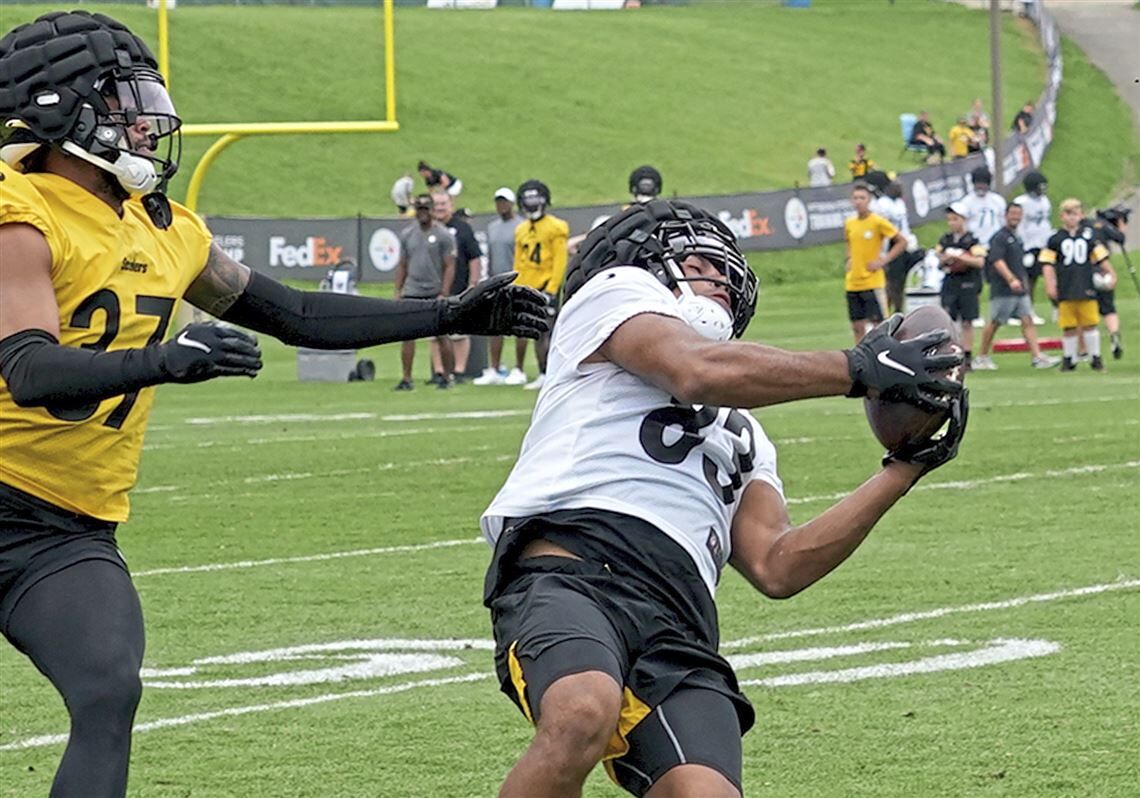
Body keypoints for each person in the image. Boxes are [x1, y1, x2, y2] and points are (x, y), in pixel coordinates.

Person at [0, 13, 549, 798]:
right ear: (60, 109)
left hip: (66, 523)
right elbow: (27, 368)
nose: (146, 121)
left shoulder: (167, 228)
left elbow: (295, 313)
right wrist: (163, 361)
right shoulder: (18, 208)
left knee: (107, 691)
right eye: (123, 103)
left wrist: (450, 313)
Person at [480, 199, 967, 798]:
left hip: (678, 617)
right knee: (583, 710)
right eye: (700, 261)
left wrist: (903, 470)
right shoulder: (610, 298)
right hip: (574, 570)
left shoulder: (745, 431)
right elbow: (694, 370)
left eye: (724, 270)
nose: (718, 277)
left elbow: (777, 565)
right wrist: (858, 368)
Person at [973, 204, 1058, 370]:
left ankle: (1037, 356)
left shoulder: (1017, 237)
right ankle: (982, 356)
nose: (1015, 217)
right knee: (994, 322)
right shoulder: (1000, 237)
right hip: (1004, 288)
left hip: (1019, 289)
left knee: (1027, 320)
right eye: (1012, 214)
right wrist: (1011, 279)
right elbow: (997, 260)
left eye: (1018, 214)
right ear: (1005, 215)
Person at [1039, 199, 1118, 371]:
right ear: (1061, 216)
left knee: (1090, 323)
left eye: (1075, 213)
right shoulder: (1055, 239)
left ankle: (1095, 357)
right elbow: (1047, 264)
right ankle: (1069, 358)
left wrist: (1111, 273)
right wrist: (1050, 284)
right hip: (1066, 286)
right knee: (1068, 325)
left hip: (1086, 284)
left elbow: (1101, 257)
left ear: (1081, 215)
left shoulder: (1089, 236)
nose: (1072, 217)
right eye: (1068, 213)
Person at [393, 194, 458, 389]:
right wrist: (398, 289)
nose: (422, 213)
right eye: (419, 209)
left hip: (434, 290)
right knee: (407, 335)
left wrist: (444, 292)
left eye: (426, 209)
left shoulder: (443, 234)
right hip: (412, 289)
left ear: (431, 210)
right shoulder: (407, 235)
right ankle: (406, 378)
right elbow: (402, 264)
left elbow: (449, 266)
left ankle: (448, 376)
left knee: (442, 336)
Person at [510, 179, 569, 390]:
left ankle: (550, 372)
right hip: (529, 287)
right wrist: (516, 286)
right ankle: (544, 372)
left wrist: (552, 289)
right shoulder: (521, 229)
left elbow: (560, 260)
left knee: (547, 332)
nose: (532, 204)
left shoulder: (555, 227)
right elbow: (519, 262)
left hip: (546, 286)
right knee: (535, 332)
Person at [430, 191, 484, 383]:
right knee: (434, 333)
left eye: (443, 203)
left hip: (459, 286)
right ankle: (438, 372)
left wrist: (473, 284)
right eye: (436, 204)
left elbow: (475, 257)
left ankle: (459, 371)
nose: (439, 207)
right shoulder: (427, 228)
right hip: (433, 288)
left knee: (459, 333)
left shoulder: (462, 228)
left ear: (451, 204)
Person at [476, 187, 526, 385]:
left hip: (517, 281)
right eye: (498, 202)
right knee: (496, 326)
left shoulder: (521, 226)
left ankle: (519, 369)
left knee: (519, 326)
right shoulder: (492, 227)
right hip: (497, 282)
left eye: (504, 202)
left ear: (512, 204)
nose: (501, 206)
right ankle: (495, 368)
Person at [844, 183, 906, 343]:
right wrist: (849, 258)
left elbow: (901, 241)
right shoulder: (850, 223)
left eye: (862, 198)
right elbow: (849, 243)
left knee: (879, 324)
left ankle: (882, 355)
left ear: (869, 200)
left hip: (872, 281)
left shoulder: (877, 222)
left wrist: (883, 260)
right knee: (857, 325)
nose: (858, 201)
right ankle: (860, 358)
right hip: (853, 281)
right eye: (855, 198)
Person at [936, 202, 987, 370]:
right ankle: (950, 354)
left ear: (964, 220)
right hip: (950, 282)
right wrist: (946, 258)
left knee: (967, 321)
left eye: (955, 219)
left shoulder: (973, 240)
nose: (951, 223)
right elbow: (938, 256)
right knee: (948, 320)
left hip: (968, 282)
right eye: (949, 219)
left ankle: (967, 356)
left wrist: (961, 257)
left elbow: (979, 261)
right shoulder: (945, 239)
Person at [871, 180, 921, 314]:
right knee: (890, 282)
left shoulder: (899, 203)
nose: (899, 189)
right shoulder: (881, 204)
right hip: (890, 245)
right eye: (895, 187)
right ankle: (885, 311)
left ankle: (899, 310)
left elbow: (904, 226)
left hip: (903, 244)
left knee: (900, 281)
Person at [1088, 205, 1129, 359]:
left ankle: (1084, 349)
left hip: (1083, 273)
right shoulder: (1104, 226)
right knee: (1108, 308)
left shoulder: (1086, 225)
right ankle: (1114, 334)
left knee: (1086, 310)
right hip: (1102, 271)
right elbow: (1121, 238)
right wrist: (1121, 225)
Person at [1013, 170, 1051, 319]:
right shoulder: (1022, 202)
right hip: (1027, 245)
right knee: (1026, 279)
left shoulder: (1044, 201)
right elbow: (1019, 225)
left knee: (1041, 277)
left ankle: (1051, 307)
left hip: (1042, 243)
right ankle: (1025, 310)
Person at [959, 167, 1007, 255]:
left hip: (996, 244)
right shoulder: (966, 202)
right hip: (975, 245)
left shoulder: (997, 200)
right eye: (978, 183)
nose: (980, 187)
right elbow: (963, 225)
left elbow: (1003, 222)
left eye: (983, 184)